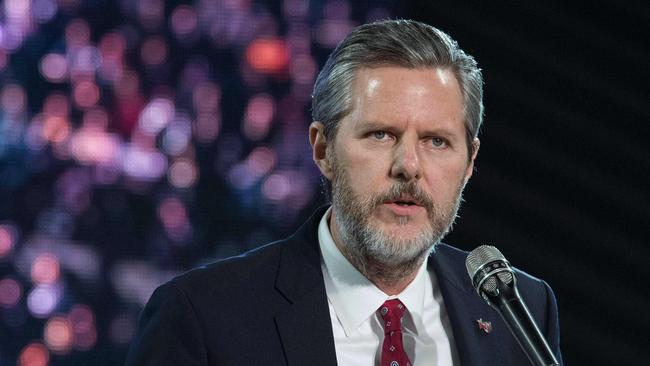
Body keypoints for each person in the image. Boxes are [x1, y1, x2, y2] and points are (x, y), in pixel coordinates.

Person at [125, 19, 563, 366]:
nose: (408, 166)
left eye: (436, 141)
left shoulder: (519, 310)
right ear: (323, 149)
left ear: (469, 163)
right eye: (380, 135)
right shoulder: (201, 317)